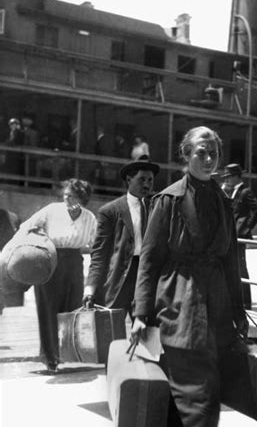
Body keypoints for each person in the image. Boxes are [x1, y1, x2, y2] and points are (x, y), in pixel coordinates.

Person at [131, 126, 248, 427]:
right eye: (201, 152)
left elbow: (231, 259)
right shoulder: (168, 200)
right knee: (193, 375)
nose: (209, 158)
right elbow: (149, 261)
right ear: (186, 155)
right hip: (178, 298)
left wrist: (238, 310)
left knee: (208, 379)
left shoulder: (224, 200)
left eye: (213, 152)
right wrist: (140, 313)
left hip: (215, 298)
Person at [13, 179, 96, 371]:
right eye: (65, 194)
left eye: (72, 195)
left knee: (72, 309)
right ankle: (50, 357)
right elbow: (26, 226)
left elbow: (96, 243)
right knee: (48, 309)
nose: (67, 198)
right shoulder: (51, 210)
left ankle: (68, 355)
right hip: (50, 262)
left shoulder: (89, 217)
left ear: (82, 198)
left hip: (74, 263)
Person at [83, 156, 160, 317]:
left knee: (147, 332)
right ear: (129, 179)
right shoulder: (110, 211)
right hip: (119, 278)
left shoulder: (158, 207)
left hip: (147, 277)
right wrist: (90, 288)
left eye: (150, 180)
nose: (146, 184)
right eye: (141, 179)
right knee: (112, 334)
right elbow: (99, 253)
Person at [221, 162, 257, 309]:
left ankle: (246, 302)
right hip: (231, 235)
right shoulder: (232, 191)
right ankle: (237, 299)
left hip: (239, 235)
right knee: (233, 266)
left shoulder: (245, 192)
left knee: (241, 267)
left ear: (237, 177)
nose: (227, 180)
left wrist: (246, 228)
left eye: (229, 177)